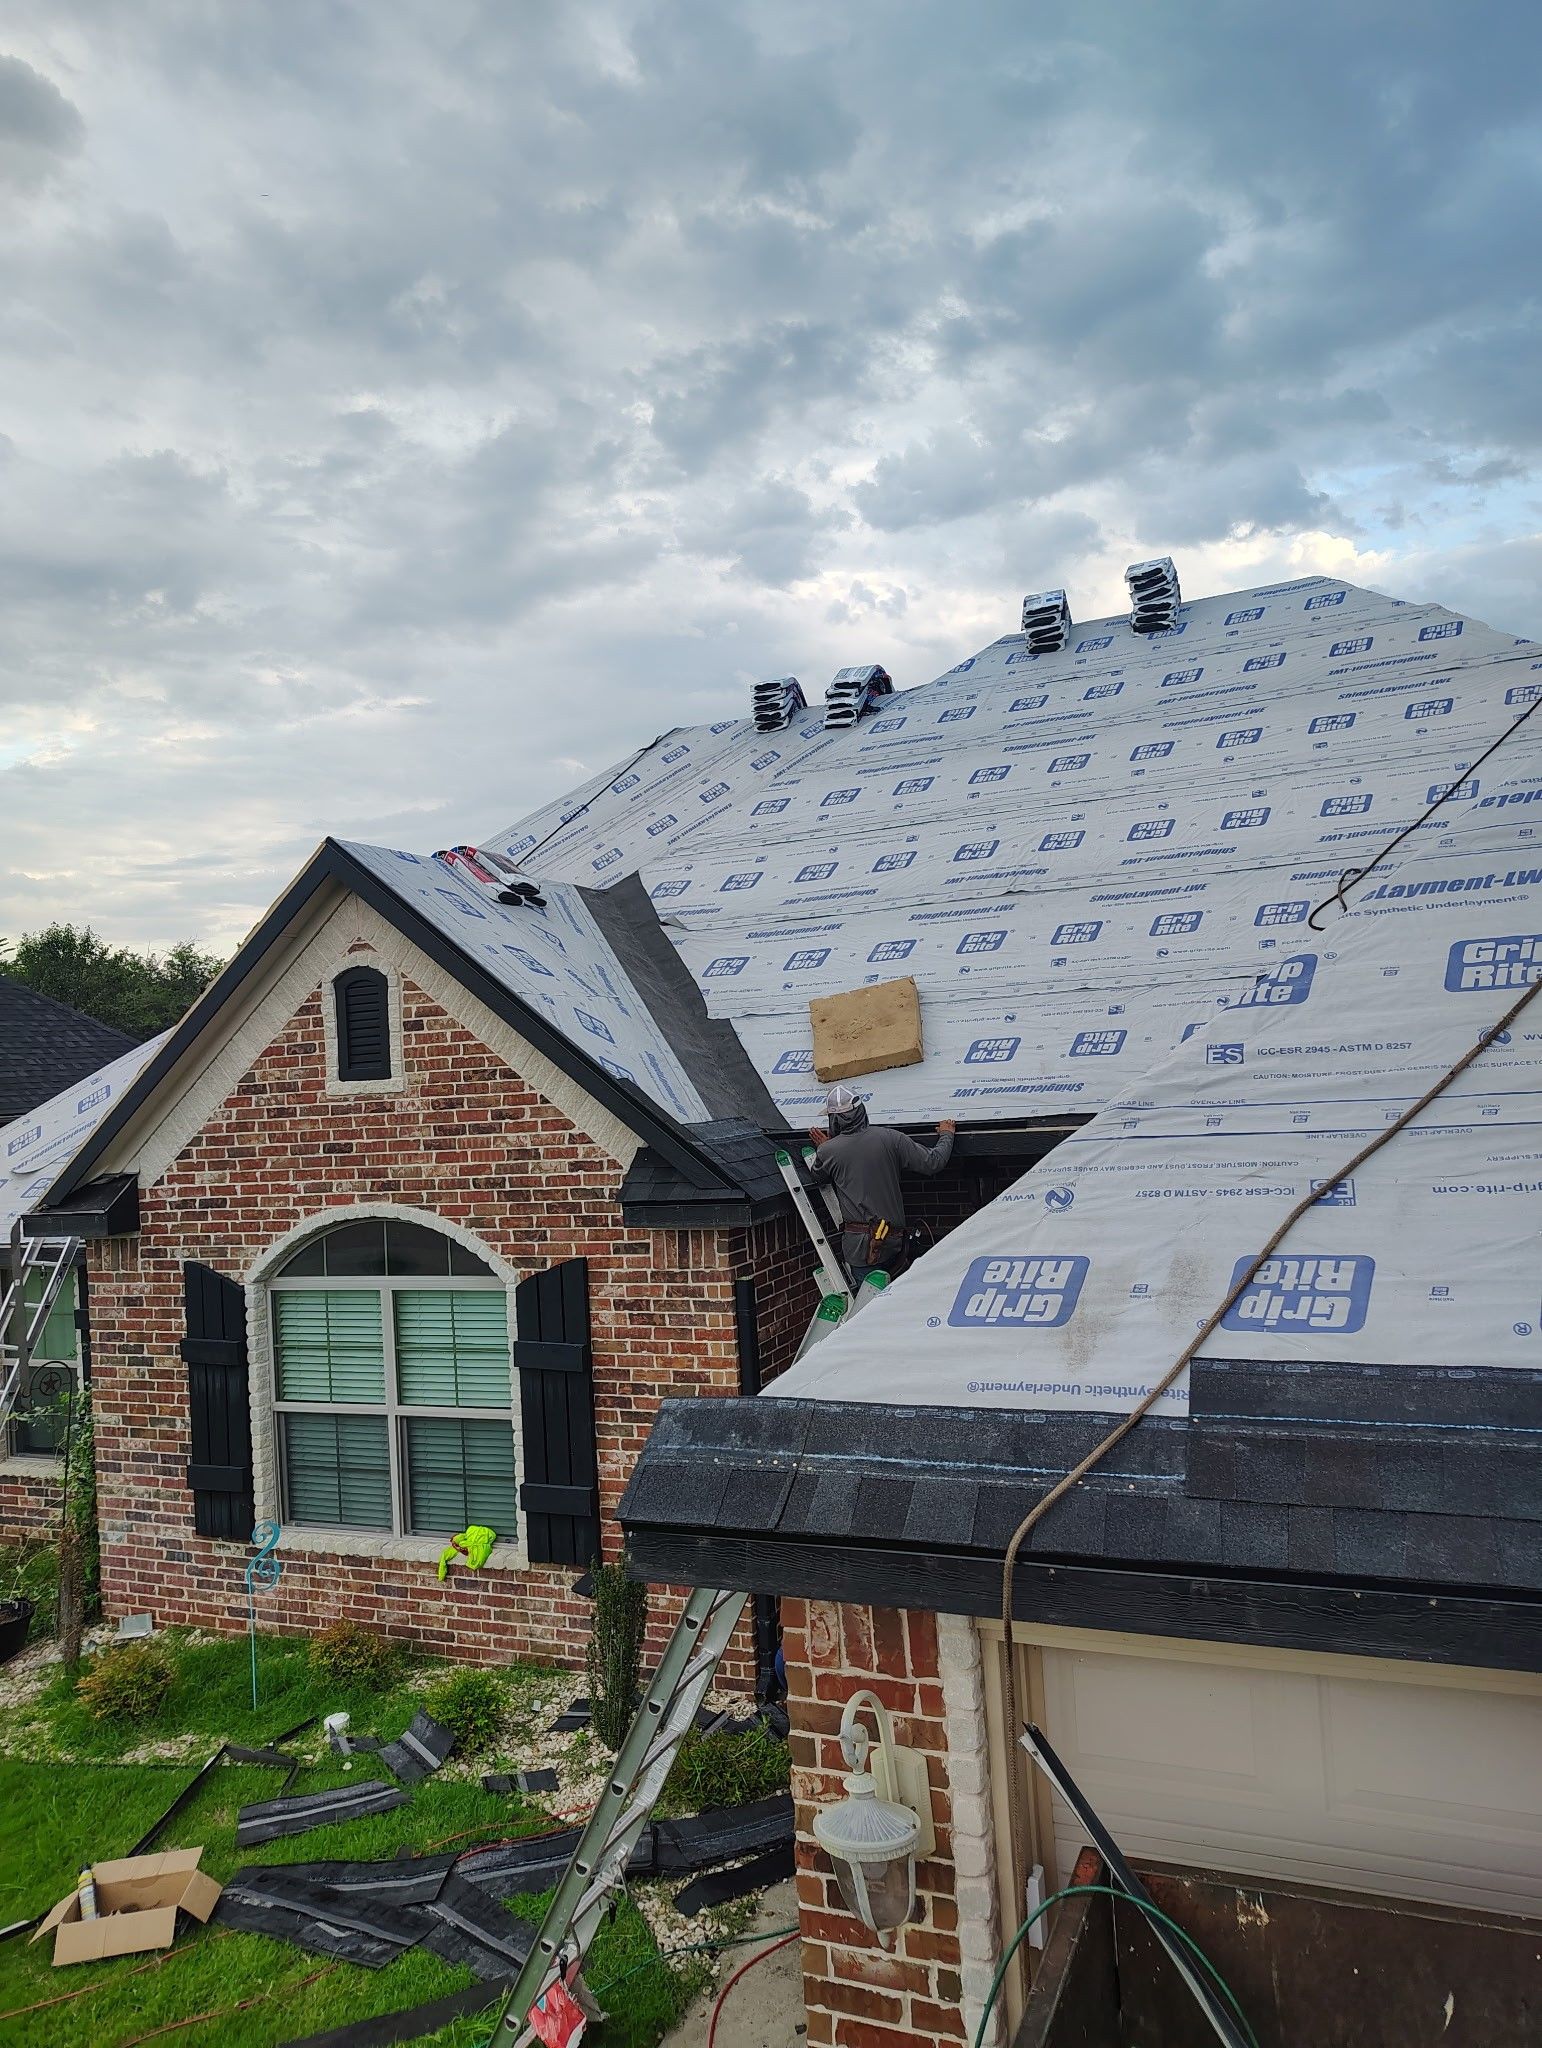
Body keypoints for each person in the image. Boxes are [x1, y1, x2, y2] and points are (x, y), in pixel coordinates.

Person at [808, 1084, 957, 1286]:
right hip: (894, 1246)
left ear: (833, 1120)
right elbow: (933, 1162)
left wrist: (826, 1147)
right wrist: (947, 1135)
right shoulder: (891, 1138)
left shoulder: (828, 1152)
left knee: (868, 1310)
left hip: (860, 1250)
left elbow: (818, 1177)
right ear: (861, 1112)